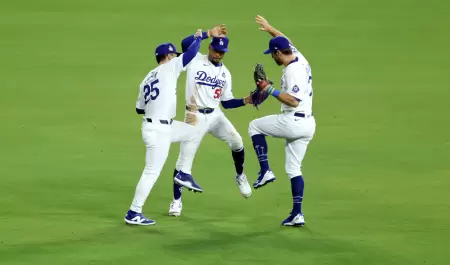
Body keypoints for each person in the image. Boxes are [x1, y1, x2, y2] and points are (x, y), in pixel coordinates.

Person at [124, 25, 227, 225]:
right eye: (174, 55)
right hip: (159, 131)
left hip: (158, 125)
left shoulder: (147, 77)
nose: (176, 57)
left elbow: (139, 109)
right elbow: (190, 54)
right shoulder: (169, 67)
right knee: (151, 172)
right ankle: (133, 212)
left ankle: (182, 173)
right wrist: (205, 35)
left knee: (193, 132)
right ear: (168, 56)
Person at [168, 31, 253, 217]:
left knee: (237, 142)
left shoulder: (225, 73)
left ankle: (240, 176)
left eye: (222, 52)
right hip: (193, 115)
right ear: (209, 47)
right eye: (216, 50)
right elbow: (184, 42)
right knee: (183, 161)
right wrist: (206, 33)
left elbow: (226, 102)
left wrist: (246, 100)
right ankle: (176, 200)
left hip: (215, 115)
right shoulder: (195, 59)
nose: (218, 54)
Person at [249, 15, 316, 226]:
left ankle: (265, 170)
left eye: (273, 55)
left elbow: (293, 101)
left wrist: (269, 89)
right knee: (294, 169)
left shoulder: (292, 72)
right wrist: (270, 29)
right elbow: (283, 37)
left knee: (254, 126)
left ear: (279, 53)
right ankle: (297, 214)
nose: (272, 58)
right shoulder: (299, 57)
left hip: (293, 121)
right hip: (308, 125)